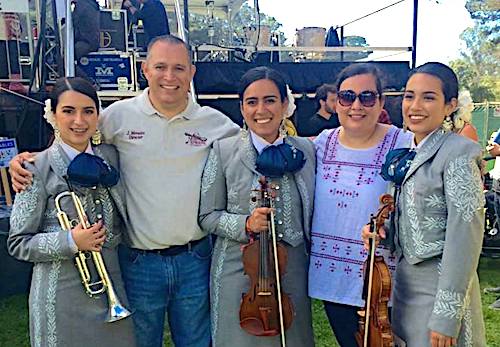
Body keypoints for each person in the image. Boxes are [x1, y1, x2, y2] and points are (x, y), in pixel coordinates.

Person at [9, 35, 240, 347]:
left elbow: (250, 149)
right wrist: (30, 161)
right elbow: (75, 131)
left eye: (178, 68)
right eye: (160, 66)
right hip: (138, 263)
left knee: (197, 342)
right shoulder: (117, 116)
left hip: (194, 259)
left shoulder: (215, 123)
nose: (169, 77)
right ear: (145, 69)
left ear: (192, 72)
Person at [363, 62, 486, 346]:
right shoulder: (410, 151)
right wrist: (380, 233)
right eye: (409, 96)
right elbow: (411, 222)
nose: (415, 105)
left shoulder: (458, 152)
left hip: (440, 287)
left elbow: (465, 237)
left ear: (450, 105)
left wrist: (446, 316)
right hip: (405, 284)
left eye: (428, 97)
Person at [7, 77, 136, 347]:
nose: (79, 120)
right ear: (52, 114)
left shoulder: (111, 157)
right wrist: (71, 242)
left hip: (111, 283)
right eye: (68, 111)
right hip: (60, 293)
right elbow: (18, 243)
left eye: (88, 111)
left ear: (98, 115)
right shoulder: (34, 169)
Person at [199, 66, 315, 347]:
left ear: (285, 105)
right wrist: (245, 224)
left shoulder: (306, 150)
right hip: (240, 270)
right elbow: (207, 216)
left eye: (270, 100)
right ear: (241, 108)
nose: (261, 109)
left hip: (293, 270)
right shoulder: (223, 151)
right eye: (252, 102)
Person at [307, 63, 413, 347]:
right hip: (333, 278)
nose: (356, 105)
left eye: (366, 97)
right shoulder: (321, 144)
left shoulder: (403, 144)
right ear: (336, 101)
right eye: (347, 96)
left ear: (380, 101)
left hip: (383, 279)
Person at [72, 0, 100, 79]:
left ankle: (89, 82)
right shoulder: (90, 4)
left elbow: (74, 24)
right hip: (91, 40)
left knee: (66, 60)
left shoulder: (81, 5)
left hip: (86, 42)